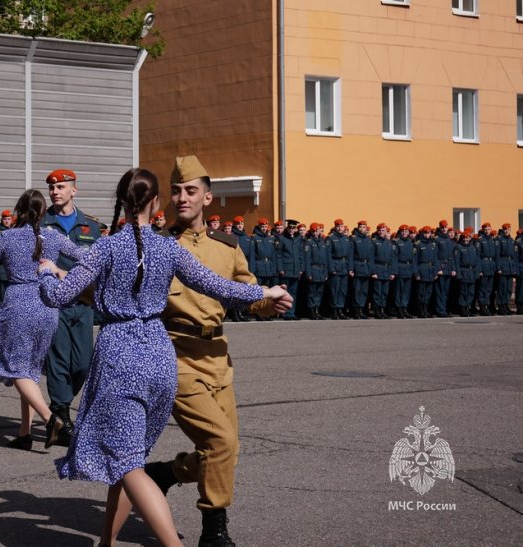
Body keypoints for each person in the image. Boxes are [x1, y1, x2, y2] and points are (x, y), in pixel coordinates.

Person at [37, 167, 291, 547]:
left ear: (121, 202)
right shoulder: (169, 247)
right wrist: (266, 293)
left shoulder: (105, 247)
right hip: (160, 355)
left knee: (127, 463)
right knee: (129, 456)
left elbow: (58, 296)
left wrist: (45, 272)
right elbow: (218, 286)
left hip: (121, 354)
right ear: (156, 203)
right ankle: (106, 542)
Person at [141, 156, 291, 547]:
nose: (181, 197)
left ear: (208, 198)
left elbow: (247, 291)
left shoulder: (227, 246)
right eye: (176, 191)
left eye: (190, 190)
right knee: (220, 444)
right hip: (176, 353)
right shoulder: (161, 247)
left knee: (226, 450)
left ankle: (168, 473)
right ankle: (214, 531)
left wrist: (268, 305)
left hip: (218, 356)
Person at [0, 189, 84, 449]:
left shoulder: (7, 237)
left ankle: (52, 421)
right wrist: (60, 271)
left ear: (19, 211)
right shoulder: (53, 236)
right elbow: (84, 255)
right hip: (48, 306)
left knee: (15, 367)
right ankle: (24, 433)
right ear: (42, 212)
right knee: (29, 369)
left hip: (19, 305)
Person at [41, 168, 101, 445]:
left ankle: (60, 407)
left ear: (74, 190)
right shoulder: (41, 225)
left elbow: (97, 265)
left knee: (84, 364)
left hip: (84, 304)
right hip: (55, 305)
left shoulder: (91, 226)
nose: (55, 192)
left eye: (61, 187)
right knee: (59, 360)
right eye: (52, 188)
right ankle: (61, 414)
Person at [326, 219, 353, 319]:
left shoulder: (346, 238)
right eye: (338, 226)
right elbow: (328, 255)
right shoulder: (331, 238)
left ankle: (340, 309)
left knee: (343, 290)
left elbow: (350, 255)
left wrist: (350, 268)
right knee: (335, 290)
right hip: (336, 265)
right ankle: (334, 310)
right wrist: (331, 268)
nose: (340, 228)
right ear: (335, 227)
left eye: (341, 226)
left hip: (344, 267)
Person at [414, 226, 440, 318]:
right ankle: (421, 311)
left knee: (428, 292)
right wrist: (416, 273)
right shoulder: (418, 244)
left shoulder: (433, 244)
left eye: (428, 233)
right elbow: (415, 260)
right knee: (421, 292)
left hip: (431, 270)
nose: (427, 235)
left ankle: (426, 310)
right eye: (425, 233)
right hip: (422, 269)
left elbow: (436, 259)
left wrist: (436, 272)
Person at [370, 222, 395, 319]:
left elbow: (392, 258)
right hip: (378, 268)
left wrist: (392, 272)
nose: (381, 232)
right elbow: (371, 257)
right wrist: (373, 271)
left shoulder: (389, 243)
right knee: (377, 291)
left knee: (384, 292)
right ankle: (376, 310)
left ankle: (382, 310)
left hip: (387, 269)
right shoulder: (374, 242)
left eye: (383, 230)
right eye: (379, 230)